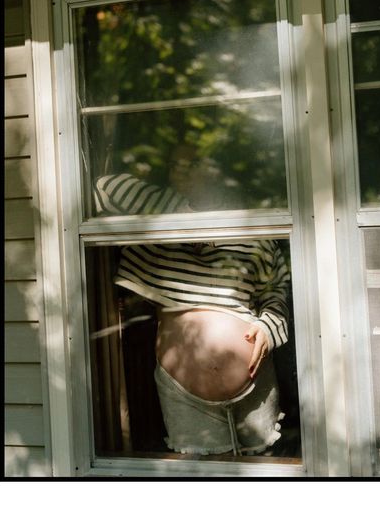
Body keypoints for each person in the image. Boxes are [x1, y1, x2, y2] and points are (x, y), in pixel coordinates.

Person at [94, 143, 290, 455]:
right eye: (175, 163)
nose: (181, 169)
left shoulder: (252, 226)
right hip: (183, 389)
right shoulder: (161, 207)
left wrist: (267, 329)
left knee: (265, 473)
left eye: (192, 162)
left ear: (217, 168)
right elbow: (102, 188)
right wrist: (154, 183)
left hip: (254, 380)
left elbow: (276, 293)